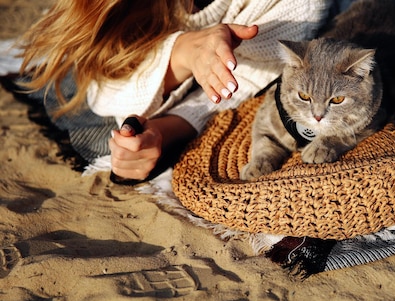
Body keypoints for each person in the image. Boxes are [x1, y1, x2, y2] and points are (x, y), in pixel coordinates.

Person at [17, 0, 333, 181]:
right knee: (74, 99)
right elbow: (98, 88)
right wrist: (182, 55)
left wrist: (161, 132)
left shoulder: (294, 5)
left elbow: (240, 86)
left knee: (111, 143)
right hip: (107, 63)